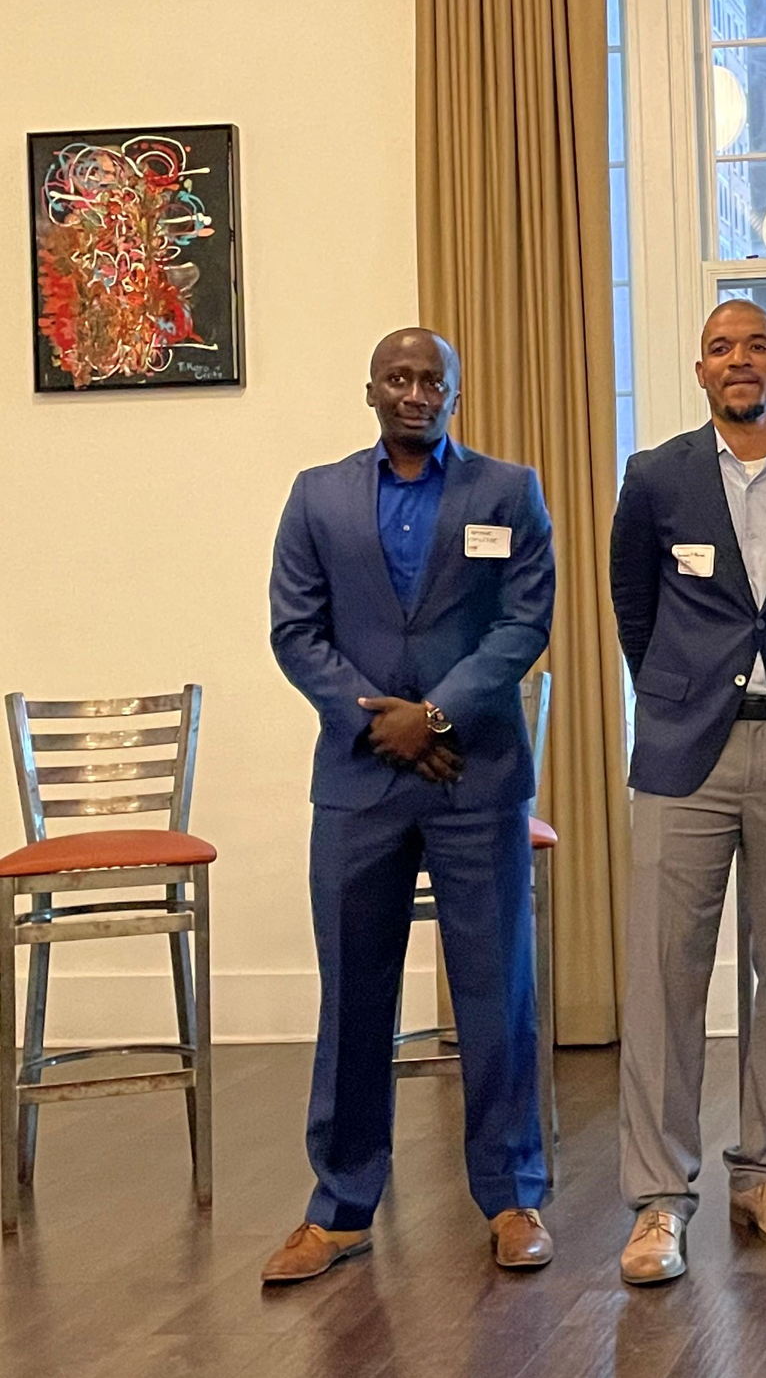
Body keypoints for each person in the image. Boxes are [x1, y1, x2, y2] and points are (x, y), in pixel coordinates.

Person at [263, 327, 556, 1282]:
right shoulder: (318, 495)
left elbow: (524, 624)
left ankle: (512, 1197)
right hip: (358, 778)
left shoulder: (508, 491)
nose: (416, 391)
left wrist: (431, 716)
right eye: (400, 377)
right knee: (353, 994)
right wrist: (380, 724)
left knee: (495, 992)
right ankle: (341, 1205)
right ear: (372, 390)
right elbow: (294, 630)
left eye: (434, 378)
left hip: (476, 775)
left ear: (456, 393)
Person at [608, 299, 766, 1285]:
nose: (740, 360)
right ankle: (657, 1200)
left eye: (756, 344)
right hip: (685, 754)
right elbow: (635, 604)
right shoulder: (655, 476)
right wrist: (676, 689)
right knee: (664, 973)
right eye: (721, 347)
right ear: (700, 368)